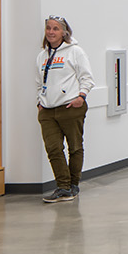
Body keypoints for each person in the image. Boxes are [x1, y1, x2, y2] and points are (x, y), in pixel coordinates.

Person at [37, 14, 94, 203]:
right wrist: (40, 101)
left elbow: (87, 77)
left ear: (64, 32)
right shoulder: (42, 55)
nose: (51, 32)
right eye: (48, 28)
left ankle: (73, 185)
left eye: (56, 28)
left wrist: (81, 97)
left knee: (75, 147)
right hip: (47, 110)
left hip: (71, 106)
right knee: (53, 148)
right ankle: (63, 187)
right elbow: (39, 82)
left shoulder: (75, 51)